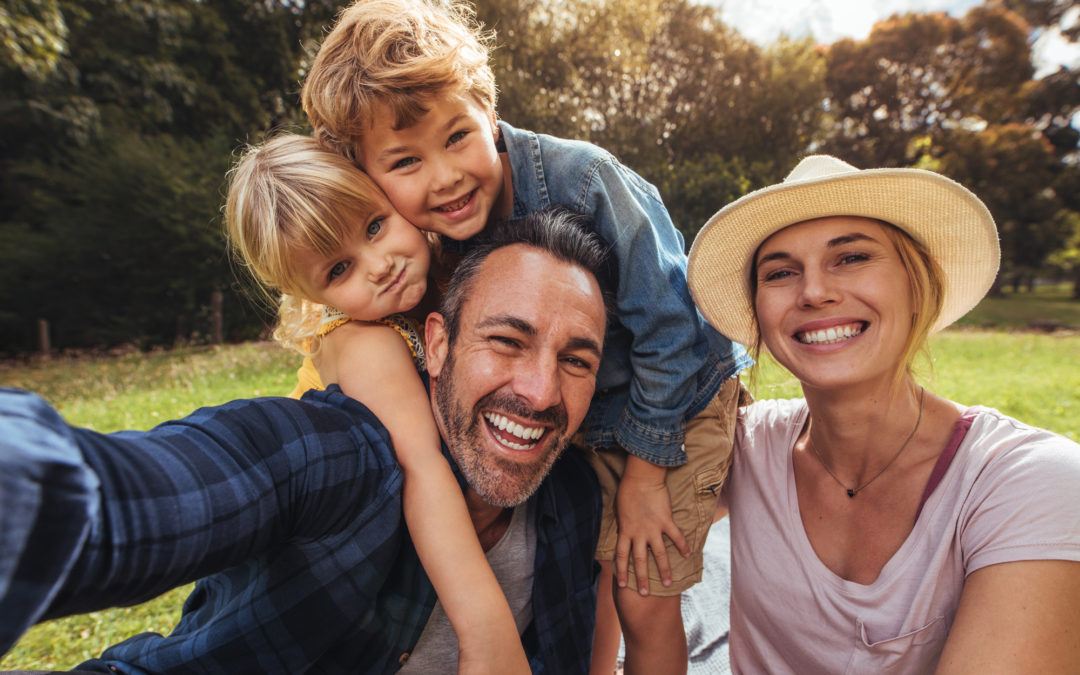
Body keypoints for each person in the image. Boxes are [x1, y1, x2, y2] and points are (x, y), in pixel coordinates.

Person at [300, 2, 753, 671]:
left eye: (457, 137)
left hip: (679, 403)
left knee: (644, 591)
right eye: (405, 161)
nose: (445, 175)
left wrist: (647, 475)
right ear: (368, 173)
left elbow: (676, 323)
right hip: (582, 413)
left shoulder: (585, 180)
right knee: (594, 570)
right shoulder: (435, 239)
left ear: (488, 110)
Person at [0, 211, 609, 673]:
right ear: (439, 343)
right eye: (506, 340)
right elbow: (136, 496)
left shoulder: (574, 499)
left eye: (577, 361)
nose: (538, 392)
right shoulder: (337, 458)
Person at [685, 154, 1080, 672]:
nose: (814, 292)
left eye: (851, 258)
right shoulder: (744, 446)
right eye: (780, 272)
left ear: (918, 286)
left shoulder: (1030, 483)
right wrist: (646, 481)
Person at [224, 132, 528, 672]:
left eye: (374, 226)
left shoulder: (434, 281)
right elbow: (422, 471)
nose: (379, 264)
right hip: (327, 573)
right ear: (310, 295)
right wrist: (487, 631)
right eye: (339, 269)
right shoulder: (367, 344)